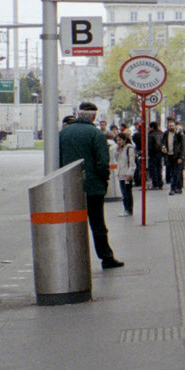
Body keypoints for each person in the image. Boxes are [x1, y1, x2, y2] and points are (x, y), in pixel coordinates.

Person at [59, 102, 124, 269]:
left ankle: (72, 261)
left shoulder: (63, 133)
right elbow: (103, 162)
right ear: (93, 116)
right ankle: (106, 257)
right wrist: (104, 180)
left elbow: (58, 160)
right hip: (93, 187)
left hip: (69, 187)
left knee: (71, 224)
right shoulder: (96, 134)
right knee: (97, 224)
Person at [112, 132, 137, 217]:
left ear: (125, 140)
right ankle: (126, 208)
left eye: (120, 140)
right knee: (124, 193)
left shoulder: (129, 148)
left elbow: (132, 162)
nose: (118, 142)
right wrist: (117, 150)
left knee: (127, 193)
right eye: (117, 140)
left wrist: (130, 173)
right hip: (120, 173)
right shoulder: (119, 149)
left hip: (127, 174)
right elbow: (116, 159)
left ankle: (129, 209)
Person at [162, 117, 185, 195]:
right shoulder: (166, 133)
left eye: (172, 126)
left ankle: (173, 188)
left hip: (177, 156)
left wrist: (181, 157)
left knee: (176, 172)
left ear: (175, 126)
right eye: (170, 126)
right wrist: (163, 149)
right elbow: (163, 143)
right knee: (174, 172)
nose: (171, 127)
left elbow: (183, 146)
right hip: (169, 156)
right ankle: (178, 188)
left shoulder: (179, 134)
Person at [146, 121, 164, 190]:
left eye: (149, 127)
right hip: (160, 153)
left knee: (153, 169)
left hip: (153, 154)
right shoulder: (161, 133)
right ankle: (160, 183)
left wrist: (148, 153)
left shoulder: (151, 135)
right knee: (159, 168)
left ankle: (155, 184)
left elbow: (150, 146)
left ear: (152, 127)